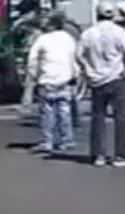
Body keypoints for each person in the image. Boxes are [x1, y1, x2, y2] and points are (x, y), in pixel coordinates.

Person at [76, 1, 125, 167]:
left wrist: (87, 69)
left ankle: (98, 155)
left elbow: (79, 55)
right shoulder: (119, 32)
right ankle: (121, 155)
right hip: (117, 78)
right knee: (121, 119)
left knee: (98, 118)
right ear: (112, 15)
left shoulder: (88, 34)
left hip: (97, 80)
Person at [26, 12, 78, 154]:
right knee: (64, 111)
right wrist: (75, 75)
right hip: (65, 79)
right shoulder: (68, 38)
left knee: (47, 112)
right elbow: (75, 58)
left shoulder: (42, 39)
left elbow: (32, 60)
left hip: (47, 79)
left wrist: (34, 77)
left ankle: (47, 141)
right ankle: (67, 140)